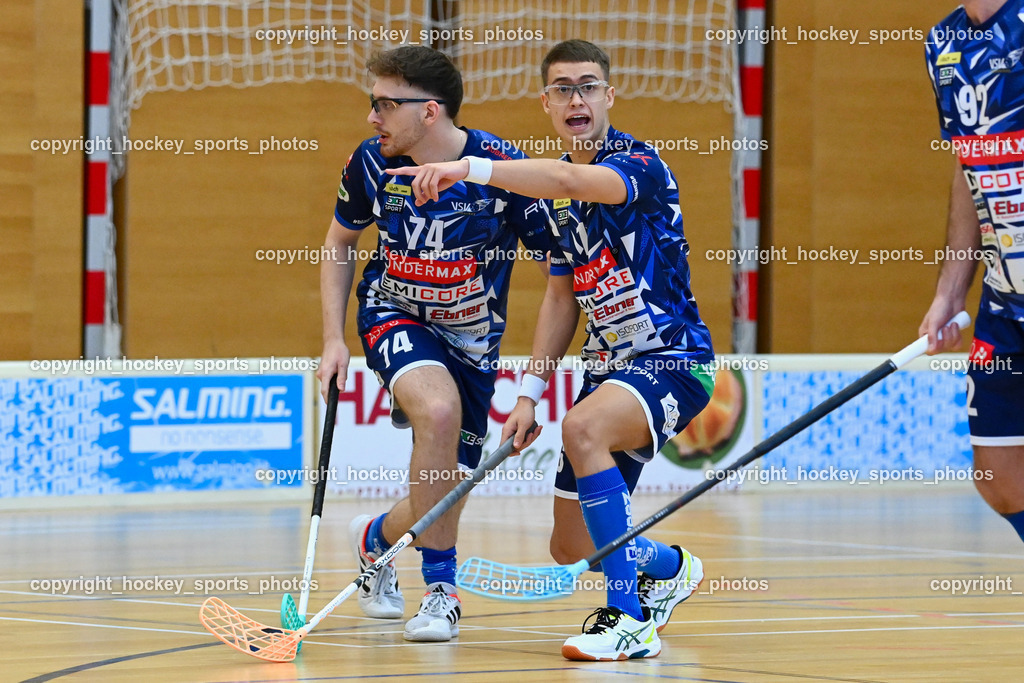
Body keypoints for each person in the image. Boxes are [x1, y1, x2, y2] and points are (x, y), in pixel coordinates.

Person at [390, 39, 714, 661]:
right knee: (571, 546)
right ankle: (668, 568)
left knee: (584, 427)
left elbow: (567, 175)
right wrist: (528, 396)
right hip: (609, 368)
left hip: (673, 360)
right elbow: (562, 299)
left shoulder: (638, 165)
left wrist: (470, 167)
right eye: (563, 88)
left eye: (589, 86)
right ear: (546, 102)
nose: (577, 98)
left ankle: (628, 620)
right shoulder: (556, 204)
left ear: (609, 96)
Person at [316, 45, 553, 642]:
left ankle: (375, 542)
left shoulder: (503, 168)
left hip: (473, 344)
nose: (373, 117)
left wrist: (534, 384)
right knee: (439, 412)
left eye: (385, 104)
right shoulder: (370, 163)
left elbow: (560, 270)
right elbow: (338, 244)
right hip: (393, 312)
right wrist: (332, 340)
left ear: (430, 111)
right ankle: (441, 593)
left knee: (448, 488)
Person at [919, 0, 1024, 545]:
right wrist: (948, 291)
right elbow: (967, 167)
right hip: (1006, 299)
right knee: (998, 475)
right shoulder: (944, 44)